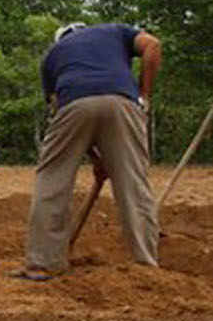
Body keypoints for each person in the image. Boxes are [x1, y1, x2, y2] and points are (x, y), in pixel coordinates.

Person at [13, 21, 161, 279]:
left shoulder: (52, 57)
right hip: (123, 102)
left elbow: (63, 112)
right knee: (134, 184)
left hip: (74, 103)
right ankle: (145, 263)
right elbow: (153, 46)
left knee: (52, 179)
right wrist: (144, 94)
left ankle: (44, 262)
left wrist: (94, 155)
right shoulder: (116, 31)